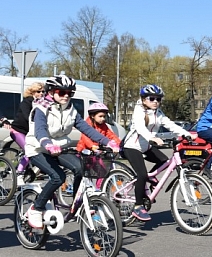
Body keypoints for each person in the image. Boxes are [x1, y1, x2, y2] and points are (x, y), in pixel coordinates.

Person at [24, 75, 120, 228]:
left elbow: (86, 128)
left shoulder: (71, 109)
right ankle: (36, 208)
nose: (67, 96)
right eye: (62, 92)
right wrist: (47, 144)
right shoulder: (40, 109)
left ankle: (78, 202)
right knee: (58, 177)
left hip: (60, 147)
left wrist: (108, 142)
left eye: (70, 93)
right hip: (38, 148)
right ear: (51, 92)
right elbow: (40, 130)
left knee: (82, 168)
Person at [121, 84, 192, 222]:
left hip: (146, 146)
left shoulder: (158, 113)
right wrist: (152, 138)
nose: (155, 102)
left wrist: (187, 134)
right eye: (152, 98)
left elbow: (170, 125)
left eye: (158, 99)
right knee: (141, 173)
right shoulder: (139, 111)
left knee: (165, 161)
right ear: (143, 99)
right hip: (132, 147)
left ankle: (149, 178)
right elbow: (141, 128)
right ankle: (137, 206)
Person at [4, 81, 45, 176]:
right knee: (29, 150)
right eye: (38, 91)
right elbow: (28, 117)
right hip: (17, 131)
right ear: (32, 92)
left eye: (43, 91)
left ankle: (27, 168)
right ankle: (19, 173)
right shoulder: (26, 102)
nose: (41, 93)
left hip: (29, 132)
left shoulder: (42, 104)